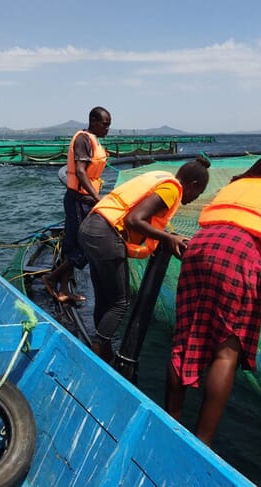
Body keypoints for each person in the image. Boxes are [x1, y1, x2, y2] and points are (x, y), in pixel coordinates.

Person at [165, 150, 261, 447]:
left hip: (199, 246)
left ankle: (170, 422)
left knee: (185, 338)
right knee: (226, 352)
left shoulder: (236, 186)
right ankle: (203, 441)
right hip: (238, 253)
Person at [78, 156, 211, 363]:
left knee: (105, 298)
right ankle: (95, 355)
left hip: (91, 227)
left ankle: (103, 352)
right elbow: (134, 219)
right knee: (120, 303)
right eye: (199, 193)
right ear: (193, 185)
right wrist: (169, 237)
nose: (195, 198)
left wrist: (163, 234)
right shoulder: (172, 190)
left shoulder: (162, 179)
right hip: (106, 234)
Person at [43, 106, 112, 303]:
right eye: (105, 124)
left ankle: (64, 289)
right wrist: (98, 198)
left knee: (72, 244)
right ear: (93, 121)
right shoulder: (83, 139)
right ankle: (51, 277)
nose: (108, 129)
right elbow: (81, 172)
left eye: (109, 125)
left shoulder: (93, 141)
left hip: (84, 200)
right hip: (78, 201)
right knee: (87, 244)